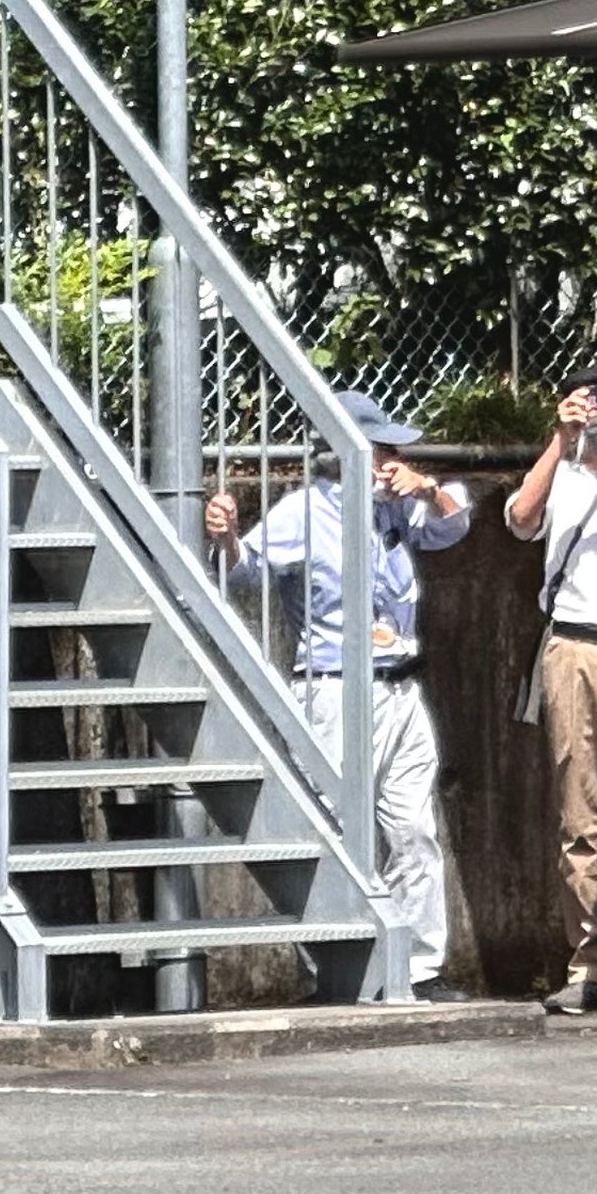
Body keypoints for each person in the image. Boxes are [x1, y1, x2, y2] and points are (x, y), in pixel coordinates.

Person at [205, 387, 469, 997]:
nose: (388, 461)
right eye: (378, 449)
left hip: (403, 686)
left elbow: (456, 523)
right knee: (330, 828)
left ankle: (417, 967)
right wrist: (226, 538)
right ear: (343, 450)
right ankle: (334, 970)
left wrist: (424, 487)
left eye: (392, 451)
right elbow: (247, 570)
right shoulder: (306, 509)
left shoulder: (399, 509)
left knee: (413, 830)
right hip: (334, 686)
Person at [501, 369, 597, 1012]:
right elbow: (519, 519)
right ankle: (588, 961)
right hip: (571, 644)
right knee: (578, 809)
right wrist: (561, 438)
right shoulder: (562, 464)